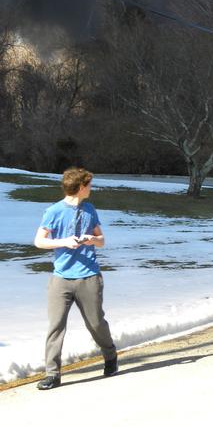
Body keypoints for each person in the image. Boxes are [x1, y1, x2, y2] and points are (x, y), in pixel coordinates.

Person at [33, 167, 117, 390]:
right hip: (61, 279)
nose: (91, 189)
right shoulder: (53, 211)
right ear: (80, 187)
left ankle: (110, 356)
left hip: (89, 276)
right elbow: (39, 241)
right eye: (89, 185)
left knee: (96, 323)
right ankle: (52, 374)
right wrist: (63, 242)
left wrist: (92, 239)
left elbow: (102, 240)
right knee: (56, 325)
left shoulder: (90, 209)